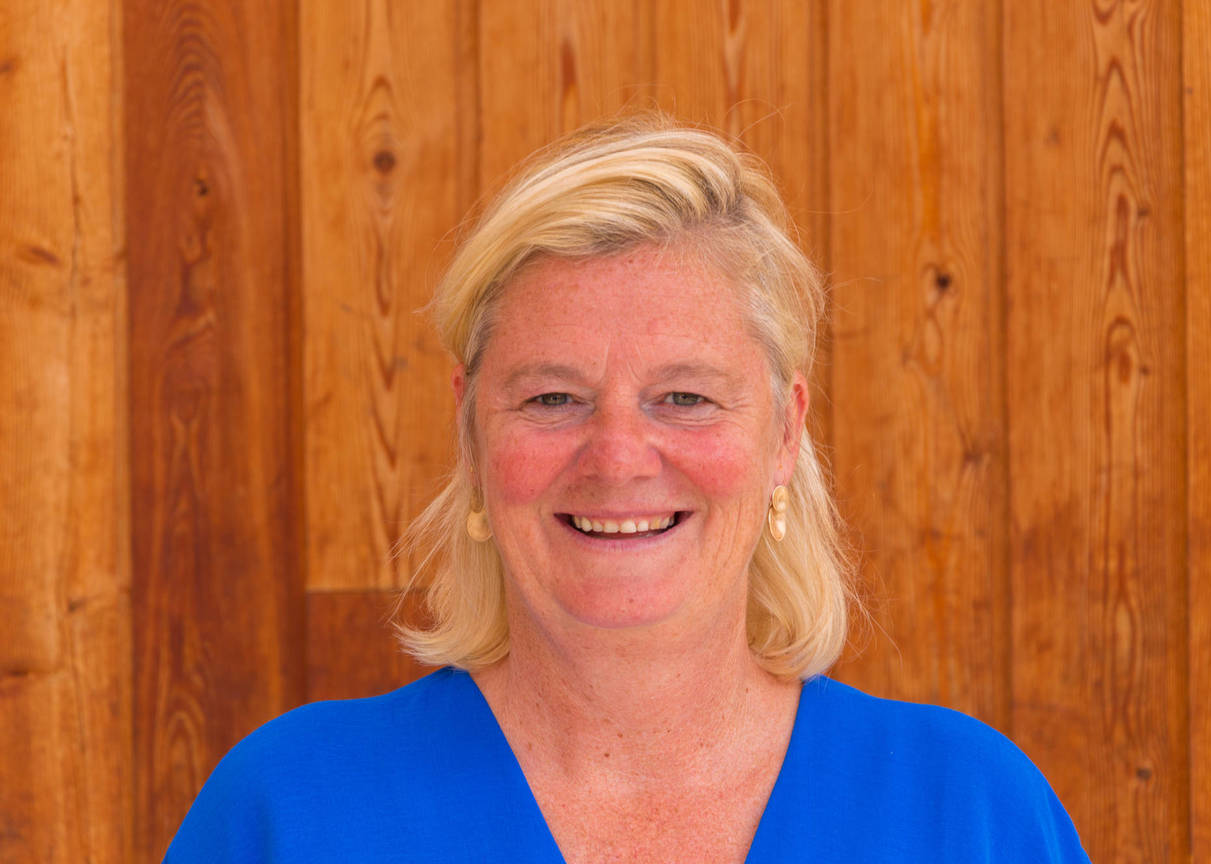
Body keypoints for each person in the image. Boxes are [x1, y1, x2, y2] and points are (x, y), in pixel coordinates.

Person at [165, 115, 1089, 863]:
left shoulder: (972, 813)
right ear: (472, 433)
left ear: (785, 433)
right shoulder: (287, 813)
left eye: (684, 398)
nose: (616, 458)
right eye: (552, 398)